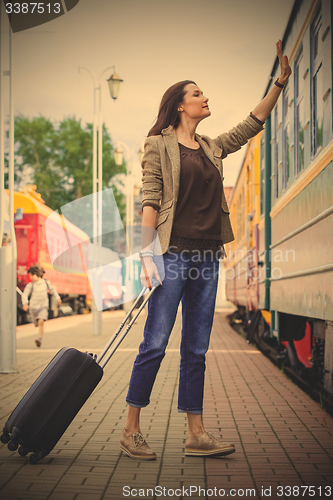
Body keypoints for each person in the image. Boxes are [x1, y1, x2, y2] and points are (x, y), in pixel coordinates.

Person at [120, 41, 291, 460]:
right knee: (155, 343)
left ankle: (195, 433)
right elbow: (151, 200)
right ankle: (130, 429)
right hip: (173, 255)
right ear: (180, 105)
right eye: (197, 93)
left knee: (196, 347)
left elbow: (252, 123)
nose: (205, 97)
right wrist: (147, 255)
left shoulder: (213, 147)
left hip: (207, 257)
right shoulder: (157, 145)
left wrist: (280, 85)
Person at [21, 265, 61, 347]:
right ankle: (36, 325)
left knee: (41, 322)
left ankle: (39, 339)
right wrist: (25, 303)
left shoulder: (45, 283)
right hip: (33, 308)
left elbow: (53, 290)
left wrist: (58, 298)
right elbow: (24, 295)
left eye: (32, 275)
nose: (31, 277)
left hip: (43, 307)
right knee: (36, 324)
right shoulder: (30, 285)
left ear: (37, 274)